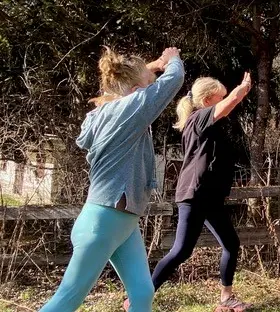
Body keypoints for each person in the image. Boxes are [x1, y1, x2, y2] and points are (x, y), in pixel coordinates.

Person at [39, 46, 184, 312]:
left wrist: (152, 66)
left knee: (142, 292)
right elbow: (172, 81)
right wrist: (173, 60)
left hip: (121, 220)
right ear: (136, 89)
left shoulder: (105, 113)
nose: (149, 89)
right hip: (104, 221)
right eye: (147, 84)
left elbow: (120, 90)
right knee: (65, 300)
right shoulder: (128, 111)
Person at [145, 73, 253, 312]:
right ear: (206, 101)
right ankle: (139, 297)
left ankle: (226, 299)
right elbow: (228, 104)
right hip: (195, 193)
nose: (224, 103)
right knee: (181, 250)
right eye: (219, 98)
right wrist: (242, 89)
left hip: (210, 195)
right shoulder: (199, 118)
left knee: (231, 244)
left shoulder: (205, 122)